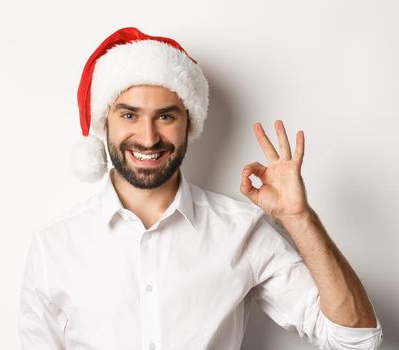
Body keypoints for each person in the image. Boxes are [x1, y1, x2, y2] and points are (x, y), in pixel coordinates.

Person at [19, 27, 384, 350]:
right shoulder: (54, 246)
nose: (148, 138)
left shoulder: (242, 231)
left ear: (188, 122)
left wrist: (299, 218)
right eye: (129, 115)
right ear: (105, 123)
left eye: (165, 116)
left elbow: (356, 339)